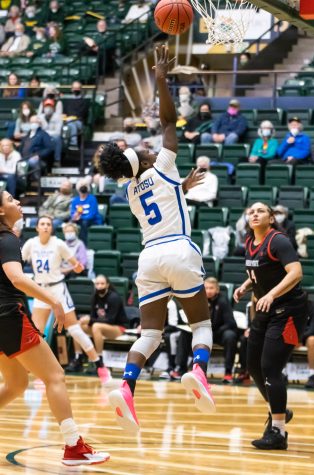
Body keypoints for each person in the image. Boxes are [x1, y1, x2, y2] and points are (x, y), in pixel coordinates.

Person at [98, 45, 216, 432]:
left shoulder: (131, 191)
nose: (147, 148)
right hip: (178, 250)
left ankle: (127, 386)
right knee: (201, 325)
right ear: (146, 161)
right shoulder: (162, 164)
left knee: (150, 332)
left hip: (148, 258)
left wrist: (180, 186)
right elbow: (169, 121)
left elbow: (161, 199)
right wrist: (162, 78)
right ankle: (198, 371)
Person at [0, 190, 109, 465]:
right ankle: (74, 446)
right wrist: (53, 301)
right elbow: (17, 278)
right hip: (9, 316)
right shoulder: (7, 239)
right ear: (1, 211)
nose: (18, 202)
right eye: (12, 199)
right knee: (55, 376)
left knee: (16, 383)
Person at [234, 202, 308, 450]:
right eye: (251, 212)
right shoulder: (249, 241)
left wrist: (271, 294)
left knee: (270, 367)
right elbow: (261, 269)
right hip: (265, 311)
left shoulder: (278, 241)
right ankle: (280, 410)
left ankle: (278, 432)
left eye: (260, 211)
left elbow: (295, 272)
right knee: (252, 365)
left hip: (288, 312)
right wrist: (247, 285)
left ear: (271, 218)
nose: (255, 214)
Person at [22, 216, 110, 383]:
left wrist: (77, 266)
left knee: (74, 329)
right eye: (42, 224)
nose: (46, 226)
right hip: (40, 290)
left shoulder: (58, 244)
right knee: (35, 333)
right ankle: (38, 368)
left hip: (58, 289)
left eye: (48, 224)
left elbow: (76, 265)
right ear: (37, 228)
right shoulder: (31, 244)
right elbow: (18, 262)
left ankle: (99, 364)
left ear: (52, 228)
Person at [67, 275, 128, 375]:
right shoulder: (94, 297)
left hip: (118, 328)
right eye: (97, 284)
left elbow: (110, 320)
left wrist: (90, 320)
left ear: (107, 285)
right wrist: (87, 320)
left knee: (96, 326)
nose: (99, 286)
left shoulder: (114, 297)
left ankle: (99, 360)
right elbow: (93, 317)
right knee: (77, 327)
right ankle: (78, 358)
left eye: (102, 283)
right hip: (100, 327)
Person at [205, 277, 238, 383]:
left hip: (219, 333)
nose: (208, 291)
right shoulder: (199, 301)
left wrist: (215, 331)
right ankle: (181, 369)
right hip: (204, 333)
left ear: (217, 290)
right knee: (184, 334)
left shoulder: (223, 301)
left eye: (211, 288)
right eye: (206, 288)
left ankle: (228, 372)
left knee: (230, 336)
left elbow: (231, 323)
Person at [19, 115, 55, 179]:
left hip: (37, 159)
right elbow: (20, 149)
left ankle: (37, 181)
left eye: (35, 122)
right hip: (24, 158)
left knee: (31, 161)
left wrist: (39, 155)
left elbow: (49, 148)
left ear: (39, 123)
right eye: (31, 122)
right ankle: (22, 183)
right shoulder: (26, 136)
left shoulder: (44, 134)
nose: (33, 124)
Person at [70, 179, 103, 245]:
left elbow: (92, 214)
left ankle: (84, 245)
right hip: (80, 220)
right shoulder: (75, 200)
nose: (83, 187)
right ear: (77, 187)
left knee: (84, 222)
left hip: (93, 220)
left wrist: (80, 217)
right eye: (81, 185)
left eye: (85, 185)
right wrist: (74, 216)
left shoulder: (92, 198)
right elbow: (72, 213)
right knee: (70, 223)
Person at [63, 82, 89, 150]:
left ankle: (73, 144)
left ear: (80, 89)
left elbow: (83, 114)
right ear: (71, 89)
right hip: (67, 120)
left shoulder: (84, 101)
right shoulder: (67, 101)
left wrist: (72, 117)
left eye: (77, 88)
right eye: (74, 88)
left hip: (79, 122)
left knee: (72, 123)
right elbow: (64, 112)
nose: (76, 89)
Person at [38, 98, 63, 163]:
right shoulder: (40, 117)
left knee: (57, 138)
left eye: (50, 106)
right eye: (46, 106)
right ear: (43, 107)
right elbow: (38, 130)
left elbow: (58, 132)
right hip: (42, 136)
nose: (48, 108)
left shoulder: (58, 117)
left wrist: (45, 133)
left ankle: (57, 160)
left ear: (53, 107)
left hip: (53, 137)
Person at [303, 300, 314, 389]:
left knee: (312, 340)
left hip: (310, 335)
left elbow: (313, 329)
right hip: (297, 336)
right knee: (285, 337)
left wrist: (298, 338)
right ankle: (282, 373)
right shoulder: (290, 307)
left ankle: (312, 376)